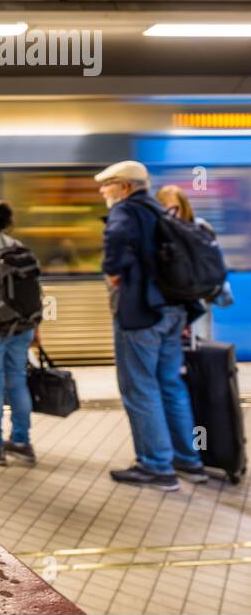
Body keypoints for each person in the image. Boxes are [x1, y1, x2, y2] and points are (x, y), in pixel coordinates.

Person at [96, 161, 206, 491]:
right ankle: (188, 460)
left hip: (142, 314)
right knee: (170, 384)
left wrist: (113, 271)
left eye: (108, 184)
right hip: (173, 311)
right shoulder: (160, 210)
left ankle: (157, 466)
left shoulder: (126, 210)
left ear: (125, 187)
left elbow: (115, 240)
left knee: (139, 386)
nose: (103, 190)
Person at [0, 199, 40, 466]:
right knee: (17, 380)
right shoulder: (18, 246)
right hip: (23, 325)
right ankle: (22, 442)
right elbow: (37, 290)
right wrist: (36, 328)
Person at [156, 184, 228, 341]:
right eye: (165, 209)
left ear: (184, 207)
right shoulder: (157, 230)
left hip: (197, 297)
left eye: (175, 208)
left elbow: (213, 262)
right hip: (169, 300)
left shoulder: (200, 227)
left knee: (199, 344)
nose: (171, 214)